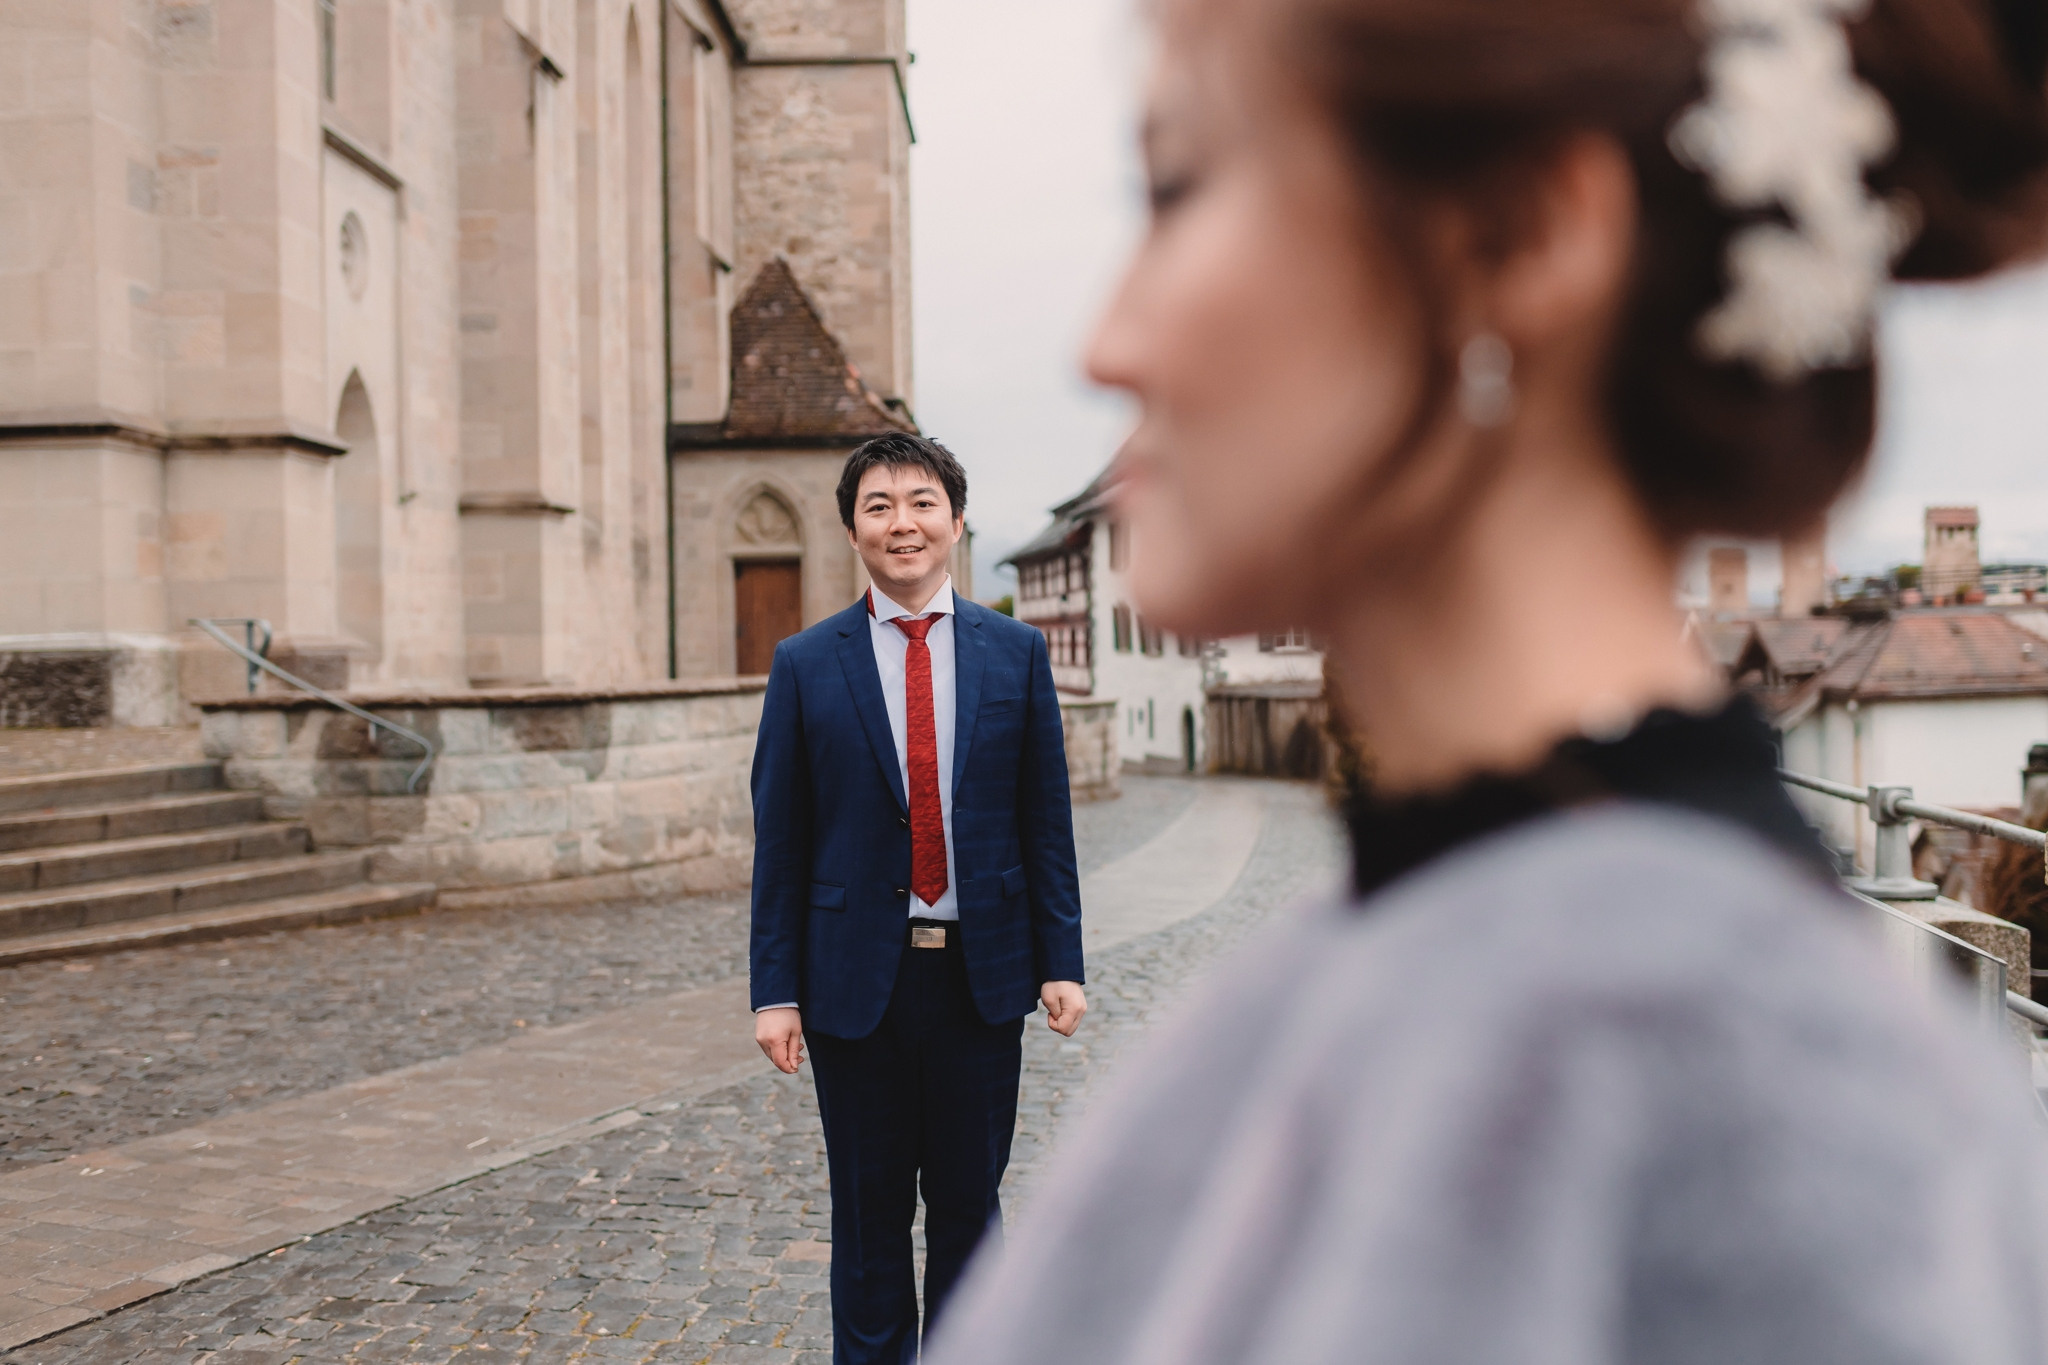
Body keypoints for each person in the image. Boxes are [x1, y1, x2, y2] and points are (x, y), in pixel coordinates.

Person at [928, 0, 2048, 1361]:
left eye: (1181, 186)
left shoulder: (1724, 1078)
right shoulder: (1445, 958)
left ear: (1518, 235)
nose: (1105, 342)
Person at [748, 432, 1087, 1364]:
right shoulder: (805, 664)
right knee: (868, 1216)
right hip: (855, 987)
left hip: (982, 982)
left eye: (922, 502)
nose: (904, 523)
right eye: (880, 506)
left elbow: (1043, 820)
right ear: (854, 529)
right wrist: (773, 990)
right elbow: (779, 843)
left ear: (956, 519)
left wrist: (1061, 961)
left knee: (972, 1209)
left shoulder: (1014, 653)